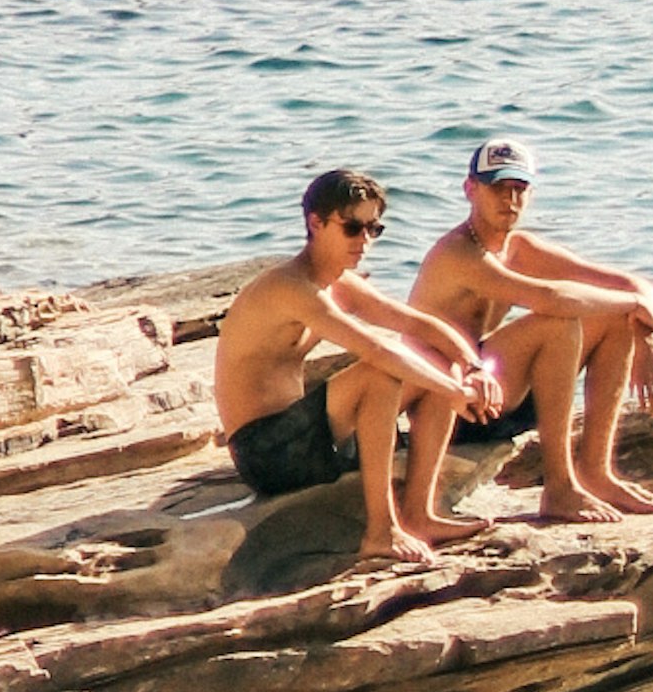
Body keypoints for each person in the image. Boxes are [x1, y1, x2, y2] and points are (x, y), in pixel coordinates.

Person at [212, 169, 504, 558]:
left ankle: (420, 513)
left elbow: (418, 323)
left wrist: (472, 368)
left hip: (309, 438)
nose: (364, 241)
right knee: (382, 374)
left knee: (439, 364)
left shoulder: (339, 282)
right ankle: (381, 532)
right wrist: (455, 394)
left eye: (373, 229)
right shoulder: (290, 287)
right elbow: (376, 350)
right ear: (316, 223)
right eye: (352, 228)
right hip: (266, 453)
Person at [402, 138, 653, 531]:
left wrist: (644, 330)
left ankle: (596, 473)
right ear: (470, 189)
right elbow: (550, 297)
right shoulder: (457, 253)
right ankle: (560, 488)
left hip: (496, 392)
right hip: (450, 404)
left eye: (519, 189)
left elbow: (630, 283)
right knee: (560, 321)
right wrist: (632, 306)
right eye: (498, 187)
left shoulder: (519, 248)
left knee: (612, 318)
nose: (509, 200)